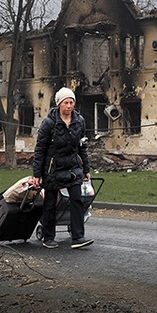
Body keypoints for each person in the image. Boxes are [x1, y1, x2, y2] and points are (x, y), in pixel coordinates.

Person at [30, 87, 93, 249]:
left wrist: (86, 169)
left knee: (77, 200)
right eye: (66, 102)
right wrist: (37, 173)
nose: (69, 106)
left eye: (72, 102)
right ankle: (48, 237)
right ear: (59, 104)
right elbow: (40, 149)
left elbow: (82, 147)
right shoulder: (49, 124)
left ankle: (78, 236)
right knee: (50, 203)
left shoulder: (79, 122)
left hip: (72, 167)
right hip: (53, 168)